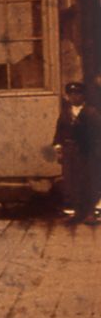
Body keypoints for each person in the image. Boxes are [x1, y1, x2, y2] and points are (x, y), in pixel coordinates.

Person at [52, 81, 100, 225]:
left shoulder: (92, 113)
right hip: (69, 153)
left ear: (83, 96)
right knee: (71, 183)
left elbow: (98, 135)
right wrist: (59, 150)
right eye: (71, 94)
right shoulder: (65, 113)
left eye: (78, 94)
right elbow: (59, 133)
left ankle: (90, 213)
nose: (74, 97)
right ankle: (76, 213)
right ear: (67, 96)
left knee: (88, 181)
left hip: (86, 153)